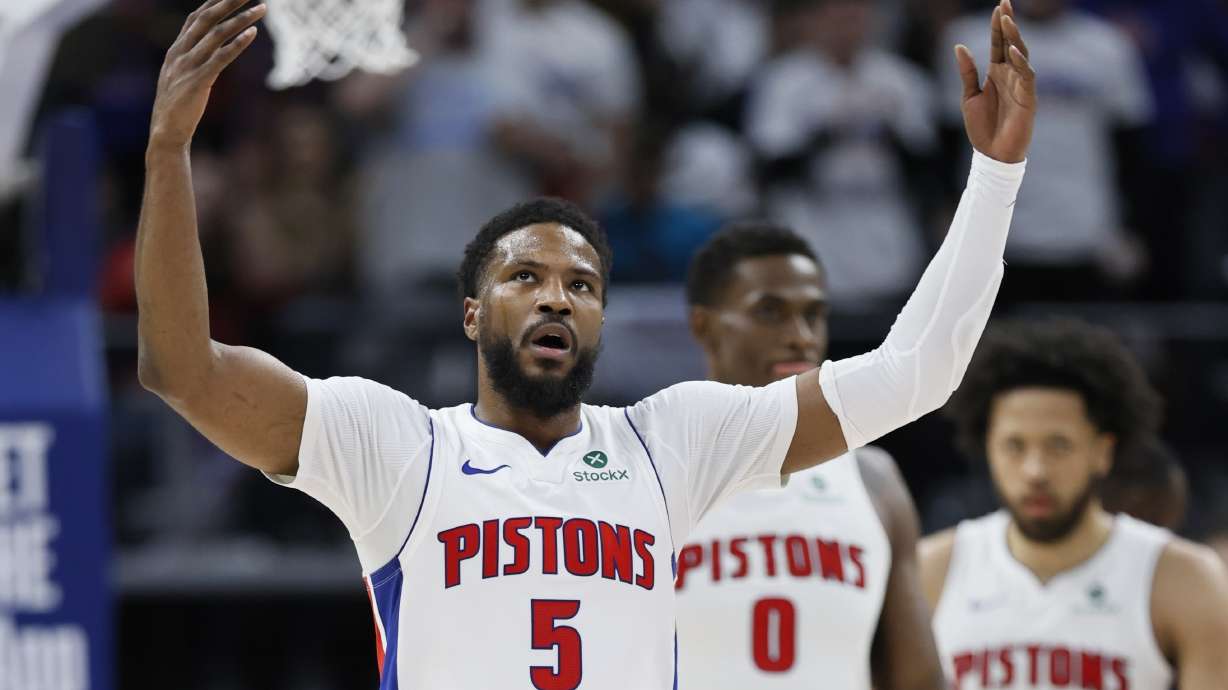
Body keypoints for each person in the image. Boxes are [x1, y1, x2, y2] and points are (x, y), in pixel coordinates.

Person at [135, 0, 1035, 686]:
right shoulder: (398, 444)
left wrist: (995, 177)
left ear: (604, 319)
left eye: (582, 285)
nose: (556, 298)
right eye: (524, 278)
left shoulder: (670, 441)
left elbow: (918, 372)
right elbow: (183, 369)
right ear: (472, 314)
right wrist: (170, 152)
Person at [675, 224, 943, 690]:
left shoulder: (873, 479)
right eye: (770, 313)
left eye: (813, 315)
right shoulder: (649, 464)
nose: (799, 337)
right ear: (704, 325)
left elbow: (917, 680)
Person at [920, 319, 1228, 690]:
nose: (1035, 471)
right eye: (1014, 446)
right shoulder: (930, 572)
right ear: (988, 448)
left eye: (1058, 445)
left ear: (1103, 451)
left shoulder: (1184, 579)